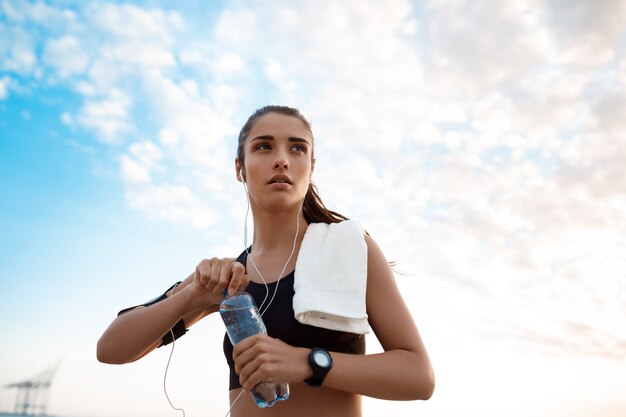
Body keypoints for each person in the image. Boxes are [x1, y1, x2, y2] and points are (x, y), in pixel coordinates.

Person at [97, 105, 434, 417]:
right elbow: (110, 349)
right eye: (264, 146)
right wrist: (192, 297)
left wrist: (308, 363)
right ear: (239, 169)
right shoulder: (227, 277)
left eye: (297, 148)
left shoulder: (351, 249)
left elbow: (418, 376)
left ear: (311, 166)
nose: (282, 160)